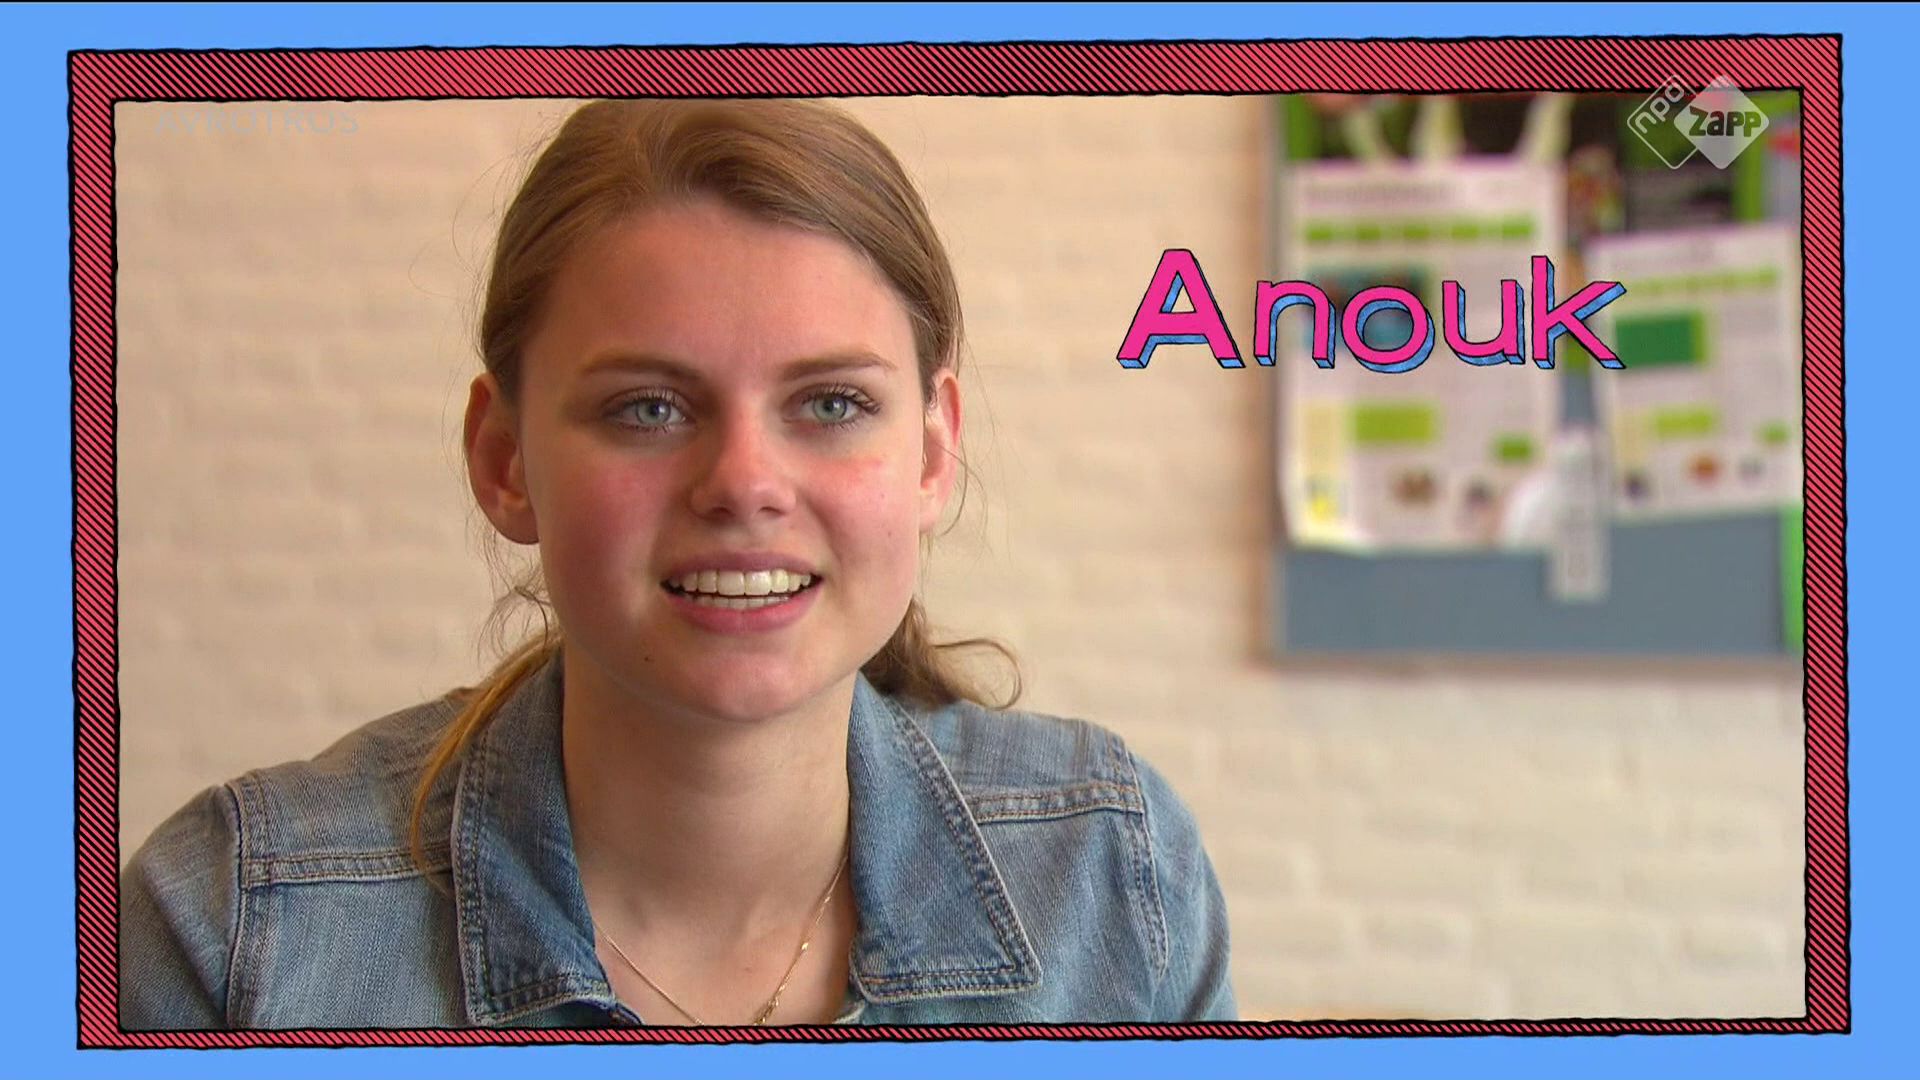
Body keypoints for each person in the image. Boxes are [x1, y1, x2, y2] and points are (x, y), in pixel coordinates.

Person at [118, 98, 1236, 1029]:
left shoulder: (1113, 875)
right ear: (505, 460)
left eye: (831, 403)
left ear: (933, 452)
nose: (743, 483)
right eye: (648, 407)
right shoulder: (234, 931)